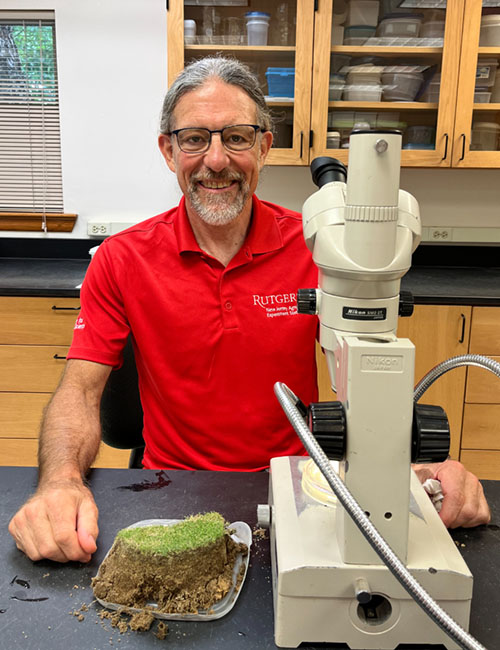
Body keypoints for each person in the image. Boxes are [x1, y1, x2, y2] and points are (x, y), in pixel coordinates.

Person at [9, 57, 490, 564]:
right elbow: (80, 390)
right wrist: (59, 483)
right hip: (170, 489)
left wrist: (413, 476)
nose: (216, 160)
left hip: (302, 489)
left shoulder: (322, 250)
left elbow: (372, 374)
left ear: (263, 146)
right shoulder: (122, 258)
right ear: (168, 150)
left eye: (236, 137)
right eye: (195, 138)